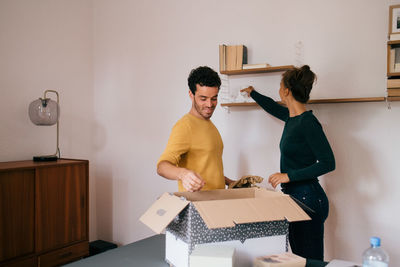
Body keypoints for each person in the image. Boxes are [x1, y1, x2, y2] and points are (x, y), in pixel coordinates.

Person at [241, 65, 335, 261]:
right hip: (296, 197)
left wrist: (288, 175)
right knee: (299, 260)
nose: (278, 91)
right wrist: (253, 93)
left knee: (310, 261)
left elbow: (328, 162)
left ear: (286, 91)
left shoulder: (307, 122)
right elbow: (273, 107)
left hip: (309, 198)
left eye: (280, 86)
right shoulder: (292, 118)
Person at [157, 66, 233, 192]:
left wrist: (230, 182)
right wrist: (183, 174)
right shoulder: (185, 126)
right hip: (196, 207)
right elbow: (162, 167)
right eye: (203, 99)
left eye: (214, 98)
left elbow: (209, 169)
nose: (209, 105)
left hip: (216, 203)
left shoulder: (209, 125)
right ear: (191, 95)